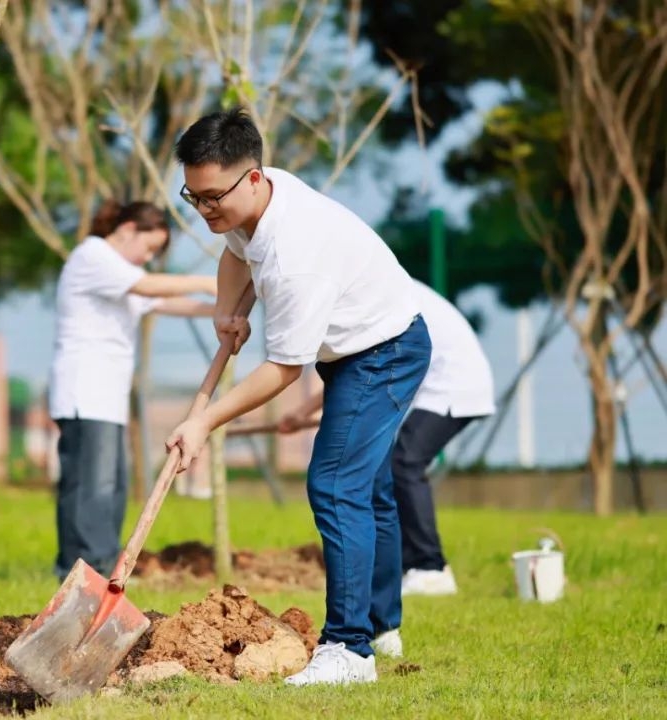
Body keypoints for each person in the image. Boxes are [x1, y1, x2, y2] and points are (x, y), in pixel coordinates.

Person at [165, 108, 431, 685]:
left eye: (215, 197)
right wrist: (224, 310)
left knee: (335, 485)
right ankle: (381, 628)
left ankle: (349, 650)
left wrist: (204, 421)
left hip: (383, 352)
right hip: (358, 349)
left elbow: (284, 370)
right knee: (370, 491)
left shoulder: (295, 257)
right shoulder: (255, 199)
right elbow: (236, 254)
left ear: (252, 177)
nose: (207, 210)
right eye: (194, 197)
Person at [278, 279, 495, 598]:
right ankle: (415, 565)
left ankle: (430, 567)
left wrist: (302, 413)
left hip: (454, 383)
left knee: (404, 464)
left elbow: (360, 372)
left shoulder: (378, 295)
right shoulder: (382, 288)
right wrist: (301, 414)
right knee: (395, 466)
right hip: (446, 382)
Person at [49, 199, 216, 582]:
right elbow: (148, 285)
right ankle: (85, 570)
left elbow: (165, 301)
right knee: (92, 486)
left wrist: (222, 309)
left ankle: (99, 567)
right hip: (83, 393)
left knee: (113, 485)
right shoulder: (94, 256)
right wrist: (208, 282)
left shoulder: (120, 272)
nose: (148, 257)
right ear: (127, 229)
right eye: (149, 247)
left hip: (107, 397)